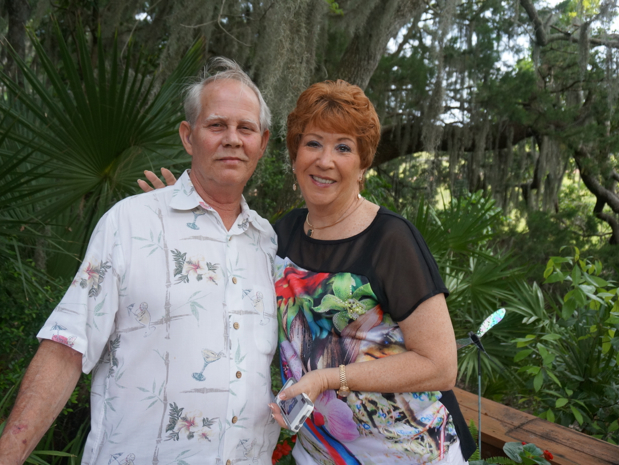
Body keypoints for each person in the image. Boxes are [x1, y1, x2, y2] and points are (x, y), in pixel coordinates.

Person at [142, 80, 475, 464]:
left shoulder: (390, 240)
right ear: (295, 153)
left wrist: (330, 378)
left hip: (408, 453)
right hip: (318, 454)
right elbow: (232, 292)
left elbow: (440, 366)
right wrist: (191, 217)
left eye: (343, 147)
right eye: (313, 143)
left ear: (363, 162)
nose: (325, 160)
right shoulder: (280, 235)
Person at [0, 58, 280, 465]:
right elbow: (66, 347)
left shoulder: (266, 242)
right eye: (216, 125)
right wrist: (5, 457)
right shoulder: (130, 222)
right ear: (188, 137)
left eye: (245, 128)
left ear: (262, 143)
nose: (232, 139)